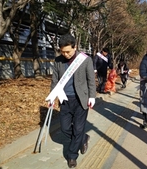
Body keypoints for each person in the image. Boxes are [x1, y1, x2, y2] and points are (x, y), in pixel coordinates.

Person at [49, 34, 96, 168]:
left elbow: (91, 80)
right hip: (65, 99)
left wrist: (92, 96)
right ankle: (83, 138)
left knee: (78, 128)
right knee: (64, 128)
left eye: (68, 51)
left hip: (81, 100)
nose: (65, 54)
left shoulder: (85, 60)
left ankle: (72, 156)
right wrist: (52, 96)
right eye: (62, 51)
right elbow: (55, 81)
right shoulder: (58, 60)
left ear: (75, 47)